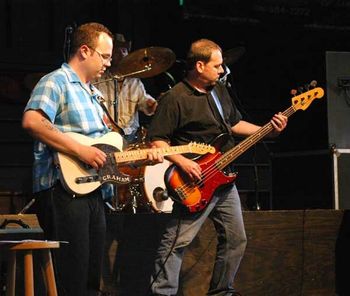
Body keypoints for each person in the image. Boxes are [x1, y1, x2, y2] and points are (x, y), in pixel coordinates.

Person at [22, 22, 161, 295]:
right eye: (105, 56)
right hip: (63, 189)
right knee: (71, 276)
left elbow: (109, 150)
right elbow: (33, 121)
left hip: (94, 190)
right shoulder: (56, 81)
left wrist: (143, 157)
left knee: (90, 278)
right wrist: (80, 150)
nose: (109, 63)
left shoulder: (94, 94)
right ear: (85, 51)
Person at [147, 39, 288, 296]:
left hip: (223, 180)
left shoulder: (218, 91)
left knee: (236, 240)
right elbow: (158, 139)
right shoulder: (175, 98)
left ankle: (222, 292)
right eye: (217, 66)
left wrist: (268, 131)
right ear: (199, 66)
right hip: (194, 181)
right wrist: (183, 161)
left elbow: (233, 125)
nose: (222, 70)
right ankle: (162, 293)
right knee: (177, 242)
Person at [95, 33, 158, 143]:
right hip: (105, 136)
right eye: (116, 51)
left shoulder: (135, 81)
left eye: (124, 50)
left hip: (131, 136)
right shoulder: (97, 79)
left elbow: (144, 103)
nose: (121, 54)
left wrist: (151, 104)